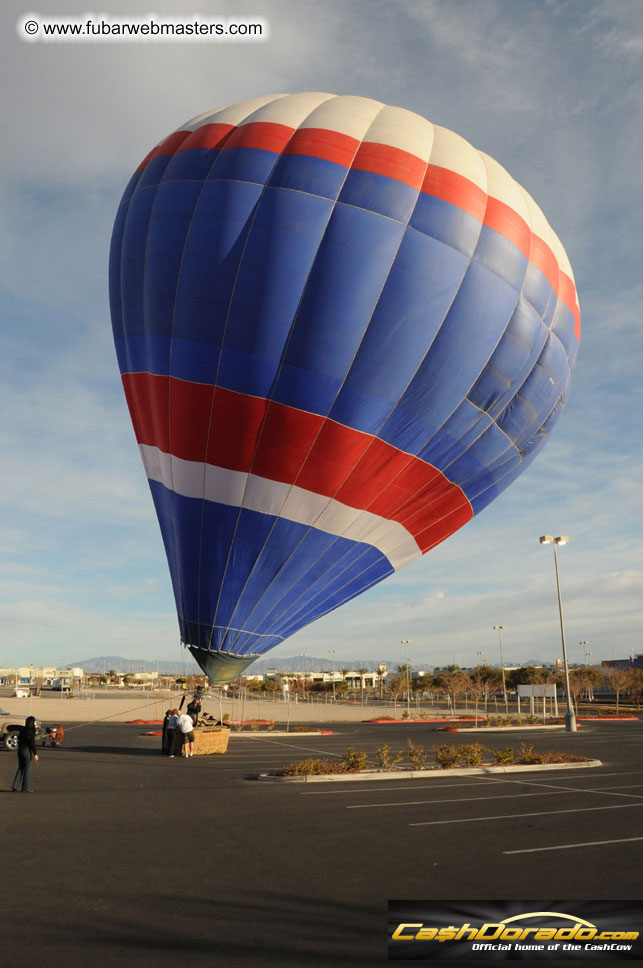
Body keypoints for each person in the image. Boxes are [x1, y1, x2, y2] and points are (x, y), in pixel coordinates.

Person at [12, 716, 38, 793]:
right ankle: (25, 788)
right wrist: (35, 753)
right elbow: (32, 743)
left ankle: (15, 786)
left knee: (20, 767)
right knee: (27, 770)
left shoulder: (23, 729)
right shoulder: (32, 731)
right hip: (27, 751)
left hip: (20, 750)